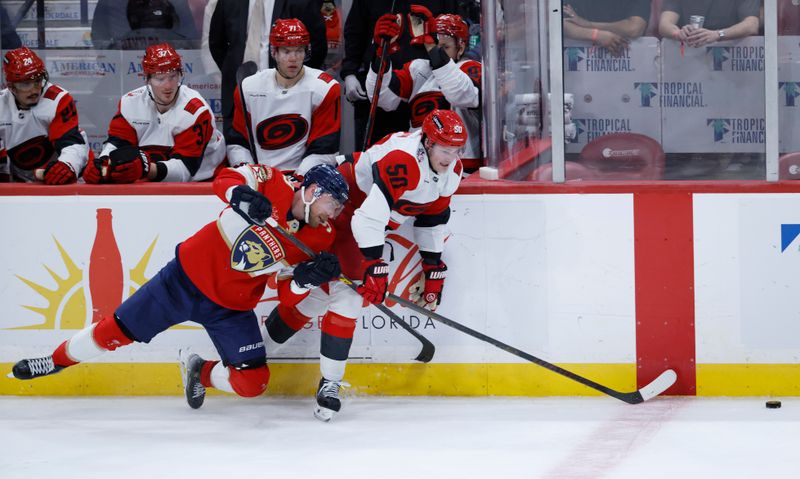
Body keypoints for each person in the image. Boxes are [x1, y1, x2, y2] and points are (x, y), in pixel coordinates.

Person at [11, 163, 349, 411]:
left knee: (253, 382)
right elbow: (226, 178)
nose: (331, 215)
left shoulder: (321, 238)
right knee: (114, 331)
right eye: (332, 205)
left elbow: (287, 293)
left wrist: (307, 279)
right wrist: (240, 195)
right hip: (182, 282)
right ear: (313, 192)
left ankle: (198, 371)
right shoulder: (271, 181)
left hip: (231, 308)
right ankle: (54, 361)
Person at [264, 109, 466, 421]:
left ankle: (260, 354)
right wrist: (374, 266)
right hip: (339, 208)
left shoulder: (450, 172)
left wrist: (432, 268)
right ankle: (324, 380)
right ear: (426, 142)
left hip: (359, 218)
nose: (450, 157)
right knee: (346, 293)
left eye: (456, 150)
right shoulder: (404, 160)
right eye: (444, 149)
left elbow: (432, 219)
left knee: (328, 294)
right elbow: (368, 217)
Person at [82, 43, 225, 183]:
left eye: (173, 76)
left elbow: (185, 171)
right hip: (154, 178)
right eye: (160, 78)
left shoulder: (196, 111)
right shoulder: (130, 103)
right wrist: (103, 165)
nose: (168, 86)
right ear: (147, 79)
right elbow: (118, 144)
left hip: (206, 180)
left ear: (180, 74)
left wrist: (147, 169)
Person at [366, 11, 482, 172]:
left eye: (445, 47)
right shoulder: (418, 69)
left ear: (460, 47)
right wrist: (380, 53)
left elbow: (463, 94)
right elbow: (380, 97)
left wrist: (433, 48)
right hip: (419, 165)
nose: (436, 52)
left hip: (460, 167)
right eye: (435, 46)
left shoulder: (470, 68)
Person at [227, 19, 340, 174]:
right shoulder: (248, 88)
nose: (293, 58)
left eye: (299, 51)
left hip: (305, 176)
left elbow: (324, 148)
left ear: (306, 51)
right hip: (261, 175)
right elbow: (238, 142)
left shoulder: (324, 88)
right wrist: (249, 173)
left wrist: (299, 179)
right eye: (286, 51)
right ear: (275, 52)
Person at [340, 0, 457, 150]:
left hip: (425, 87)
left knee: (425, 150)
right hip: (380, 79)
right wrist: (350, 72)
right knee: (376, 153)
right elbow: (355, 31)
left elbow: (453, 34)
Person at [209, 0, 327, 138]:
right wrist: (236, 72)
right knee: (237, 151)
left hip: (288, 97)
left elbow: (317, 46)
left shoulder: (300, 2)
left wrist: (293, 81)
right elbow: (217, 43)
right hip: (238, 96)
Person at [0, 47, 91, 184]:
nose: (34, 90)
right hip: (19, 180)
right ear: (11, 87)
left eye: (38, 81)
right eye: (26, 84)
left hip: (60, 177)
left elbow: (71, 142)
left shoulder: (58, 99)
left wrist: (67, 164)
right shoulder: (1, 104)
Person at [562, 0, 651, 57]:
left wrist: (588, 24)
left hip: (631, 63)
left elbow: (634, 28)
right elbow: (560, 23)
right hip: (580, 66)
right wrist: (596, 35)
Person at [658, 0, 760, 47]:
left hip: (731, 55)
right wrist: (678, 33)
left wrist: (718, 34)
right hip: (689, 54)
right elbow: (665, 24)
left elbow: (751, 25)